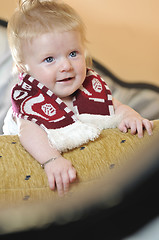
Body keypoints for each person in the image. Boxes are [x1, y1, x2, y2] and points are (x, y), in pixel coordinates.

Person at [4, 0, 153, 196]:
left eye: (73, 53)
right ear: (23, 68)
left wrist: (130, 116)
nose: (66, 65)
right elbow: (29, 133)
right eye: (49, 59)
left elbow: (116, 107)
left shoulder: (91, 89)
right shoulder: (29, 103)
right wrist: (51, 160)